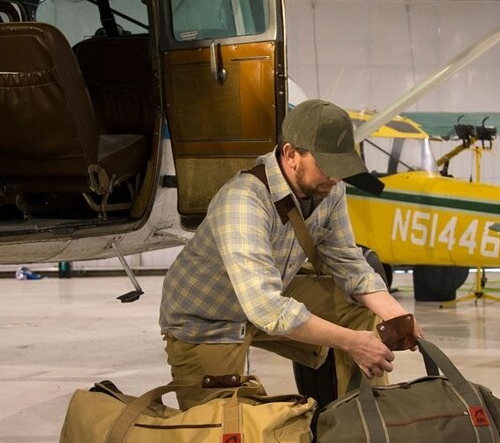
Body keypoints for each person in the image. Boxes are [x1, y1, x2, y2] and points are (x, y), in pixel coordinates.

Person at [159, 99, 421, 408]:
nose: (337, 177)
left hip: (271, 292)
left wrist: (399, 317)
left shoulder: (329, 189)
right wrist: (352, 342)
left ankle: (360, 423)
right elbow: (267, 308)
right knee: (224, 436)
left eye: (342, 167)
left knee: (360, 312)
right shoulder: (244, 199)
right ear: (290, 155)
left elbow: (350, 265)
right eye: (327, 166)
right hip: (210, 316)